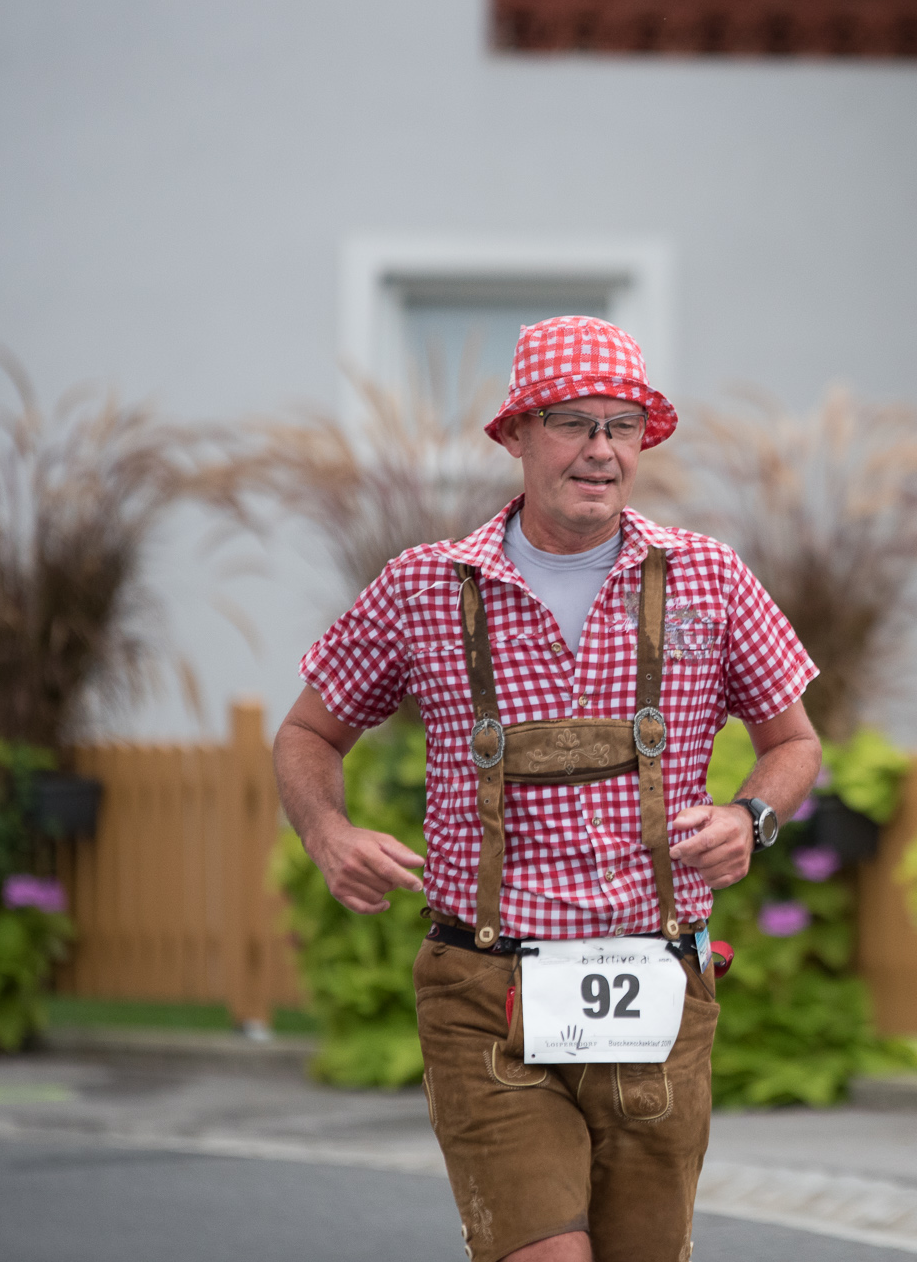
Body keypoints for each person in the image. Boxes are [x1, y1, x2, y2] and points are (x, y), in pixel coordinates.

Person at [275, 316, 821, 1262]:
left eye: (622, 426)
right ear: (517, 435)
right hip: (484, 986)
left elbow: (795, 743)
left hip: (655, 985)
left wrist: (749, 813)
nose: (600, 450)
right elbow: (307, 731)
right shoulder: (425, 586)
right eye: (572, 423)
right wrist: (329, 833)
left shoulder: (709, 578)